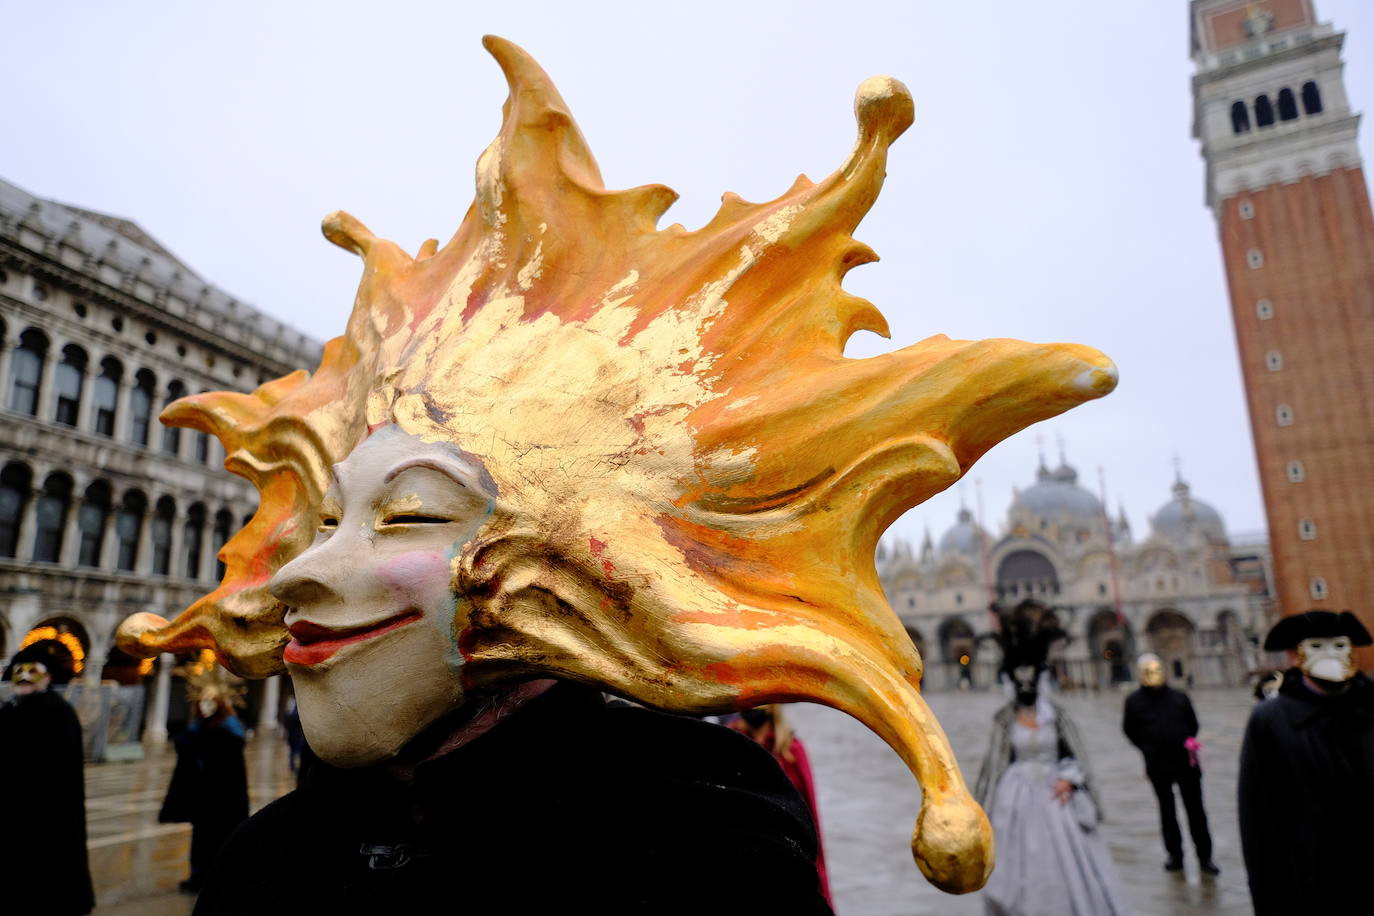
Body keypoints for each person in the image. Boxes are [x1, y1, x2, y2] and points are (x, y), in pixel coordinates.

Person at [113, 34, 1120, 908]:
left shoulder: (697, 856)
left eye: (412, 513)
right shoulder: (263, 868)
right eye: (330, 519)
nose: (302, 572)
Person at [975, 642, 1129, 916]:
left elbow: (1074, 754)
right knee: (1017, 858)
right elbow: (994, 767)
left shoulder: (1057, 717)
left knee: (1067, 860)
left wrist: (1070, 779)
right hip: (1015, 800)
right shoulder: (1004, 720)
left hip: (1055, 794)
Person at [1239, 610, 1374, 914]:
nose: (1330, 655)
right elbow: (1258, 818)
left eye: (1339, 645)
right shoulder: (1270, 720)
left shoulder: (1369, 707)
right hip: (1312, 881)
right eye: (1316, 646)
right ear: (1294, 655)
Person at [0, 661, 96, 915]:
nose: (23, 679)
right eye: (18, 675)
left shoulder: (59, 712)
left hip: (47, 808)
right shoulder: (10, 709)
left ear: (47, 678)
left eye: (32, 673)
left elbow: (57, 763)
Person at [159, 658, 250, 893]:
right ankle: (199, 876)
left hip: (224, 802)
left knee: (221, 840)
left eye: (211, 702)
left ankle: (218, 877)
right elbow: (186, 749)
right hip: (204, 801)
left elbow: (230, 765)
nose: (207, 707)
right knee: (201, 842)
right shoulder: (199, 730)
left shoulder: (230, 733)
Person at [1122, 652, 1217, 875]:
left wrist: (1183, 741)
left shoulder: (1179, 697)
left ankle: (1205, 857)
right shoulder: (1134, 701)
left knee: (1196, 810)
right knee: (1167, 811)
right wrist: (1147, 747)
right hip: (1157, 764)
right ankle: (1175, 855)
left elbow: (1193, 724)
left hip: (1186, 762)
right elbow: (1129, 730)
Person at [731, 704, 834, 906]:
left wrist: (820, 881)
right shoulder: (731, 744)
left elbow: (810, 815)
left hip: (786, 856)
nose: (754, 707)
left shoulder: (792, 750)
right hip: (743, 854)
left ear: (772, 706)